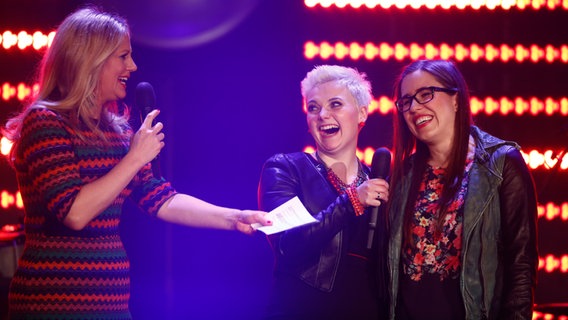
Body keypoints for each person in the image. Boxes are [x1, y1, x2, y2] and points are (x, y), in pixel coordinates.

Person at [1, 6, 270, 319]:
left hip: (110, 305)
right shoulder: (45, 122)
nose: (133, 65)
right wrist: (135, 158)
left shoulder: (116, 130)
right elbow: (74, 212)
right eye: (123, 55)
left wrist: (233, 217)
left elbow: (160, 199)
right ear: (91, 59)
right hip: (53, 306)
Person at [387, 59, 538, 320]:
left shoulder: (500, 164)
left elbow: (521, 263)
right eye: (406, 101)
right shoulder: (403, 175)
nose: (414, 108)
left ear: (456, 99)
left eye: (426, 94)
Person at [257, 65, 390, 319]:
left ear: (362, 113)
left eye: (335, 104)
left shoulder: (380, 181)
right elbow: (287, 245)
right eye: (314, 108)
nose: (322, 115)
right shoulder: (286, 169)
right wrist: (351, 201)